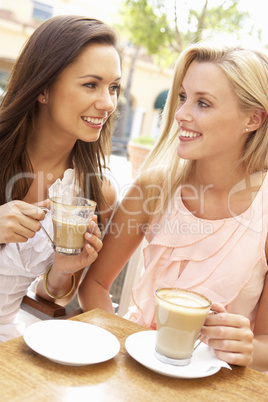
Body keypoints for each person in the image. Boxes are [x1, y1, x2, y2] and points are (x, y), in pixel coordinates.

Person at [78, 41, 268, 372]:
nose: (181, 113)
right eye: (182, 97)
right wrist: (124, 347)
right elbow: (93, 286)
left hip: (215, 386)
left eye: (203, 103)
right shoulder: (153, 187)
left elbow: (265, 345)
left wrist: (248, 348)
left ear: (253, 118)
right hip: (131, 369)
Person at [0, 14, 122, 341]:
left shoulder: (97, 190)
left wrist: (62, 271)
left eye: (113, 87)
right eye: (90, 84)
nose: (107, 102)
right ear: (42, 89)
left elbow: (50, 296)